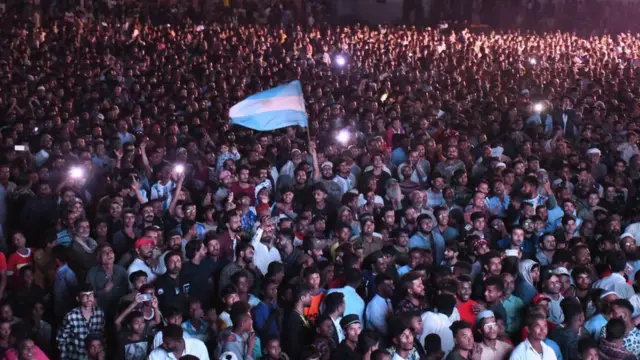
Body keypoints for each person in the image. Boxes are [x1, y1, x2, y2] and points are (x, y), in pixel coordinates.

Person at [56, 284, 106, 360]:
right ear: (78, 298)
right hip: (76, 356)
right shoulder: (71, 316)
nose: (89, 298)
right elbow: (61, 340)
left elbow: (102, 336)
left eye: (91, 295)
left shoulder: (100, 313)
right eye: (85, 295)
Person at [281, 284, 314, 359]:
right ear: (302, 298)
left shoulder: (301, 316)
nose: (311, 298)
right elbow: (293, 346)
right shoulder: (293, 319)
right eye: (309, 296)